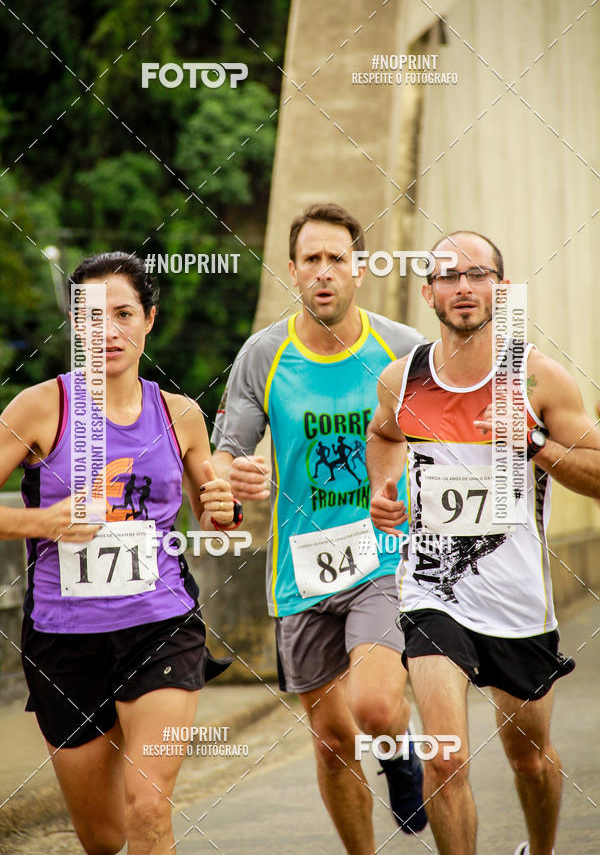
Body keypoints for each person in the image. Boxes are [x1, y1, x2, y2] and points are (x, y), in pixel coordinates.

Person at [367, 230, 600, 855]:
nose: (463, 287)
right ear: (428, 291)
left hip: (518, 601)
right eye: (449, 276)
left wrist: (535, 446)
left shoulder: (540, 379)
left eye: (477, 274)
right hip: (432, 592)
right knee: (447, 762)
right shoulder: (402, 378)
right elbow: (384, 434)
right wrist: (383, 488)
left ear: (500, 287)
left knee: (530, 760)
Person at [0, 252, 239, 855]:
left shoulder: (180, 414)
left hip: (160, 625)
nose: (107, 330)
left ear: (148, 320)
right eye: (90, 316)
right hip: (63, 639)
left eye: (123, 313)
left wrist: (230, 500)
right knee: (104, 838)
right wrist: (43, 520)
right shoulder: (38, 407)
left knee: (148, 808)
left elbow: (216, 516)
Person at [212, 203, 428, 852]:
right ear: (292, 271)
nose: (325, 272)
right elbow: (225, 460)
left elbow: (446, 442)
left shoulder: (403, 348)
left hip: (383, 554)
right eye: (312, 260)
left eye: (338, 258)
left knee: (377, 708)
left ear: (359, 270)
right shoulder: (263, 356)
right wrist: (232, 482)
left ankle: (401, 753)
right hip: (300, 569)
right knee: (332, 743)